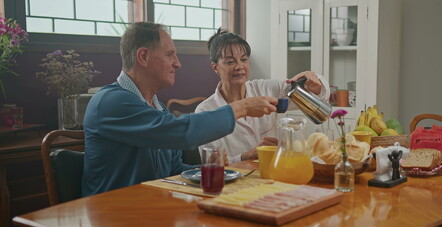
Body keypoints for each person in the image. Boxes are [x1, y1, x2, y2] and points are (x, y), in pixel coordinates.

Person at [82, 23, 278, 196]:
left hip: (154, 212)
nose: (178, 63)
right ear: (143, 56)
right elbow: (180, 132)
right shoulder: (111, 102)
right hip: (112, 217)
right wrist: (241, 107)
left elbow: (176, 169)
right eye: (170, 55)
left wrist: (227, 167)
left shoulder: (157, 108)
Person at [195, 29, 330, 163]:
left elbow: (320, 98)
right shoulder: (205, 111)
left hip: (273, 172)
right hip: (233, 181)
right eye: (230, 62)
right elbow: (211, 163)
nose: (239, 66)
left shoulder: (266, 89)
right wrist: (246, 156)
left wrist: (314, 82)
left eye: (244, 59)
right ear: (215, 67)